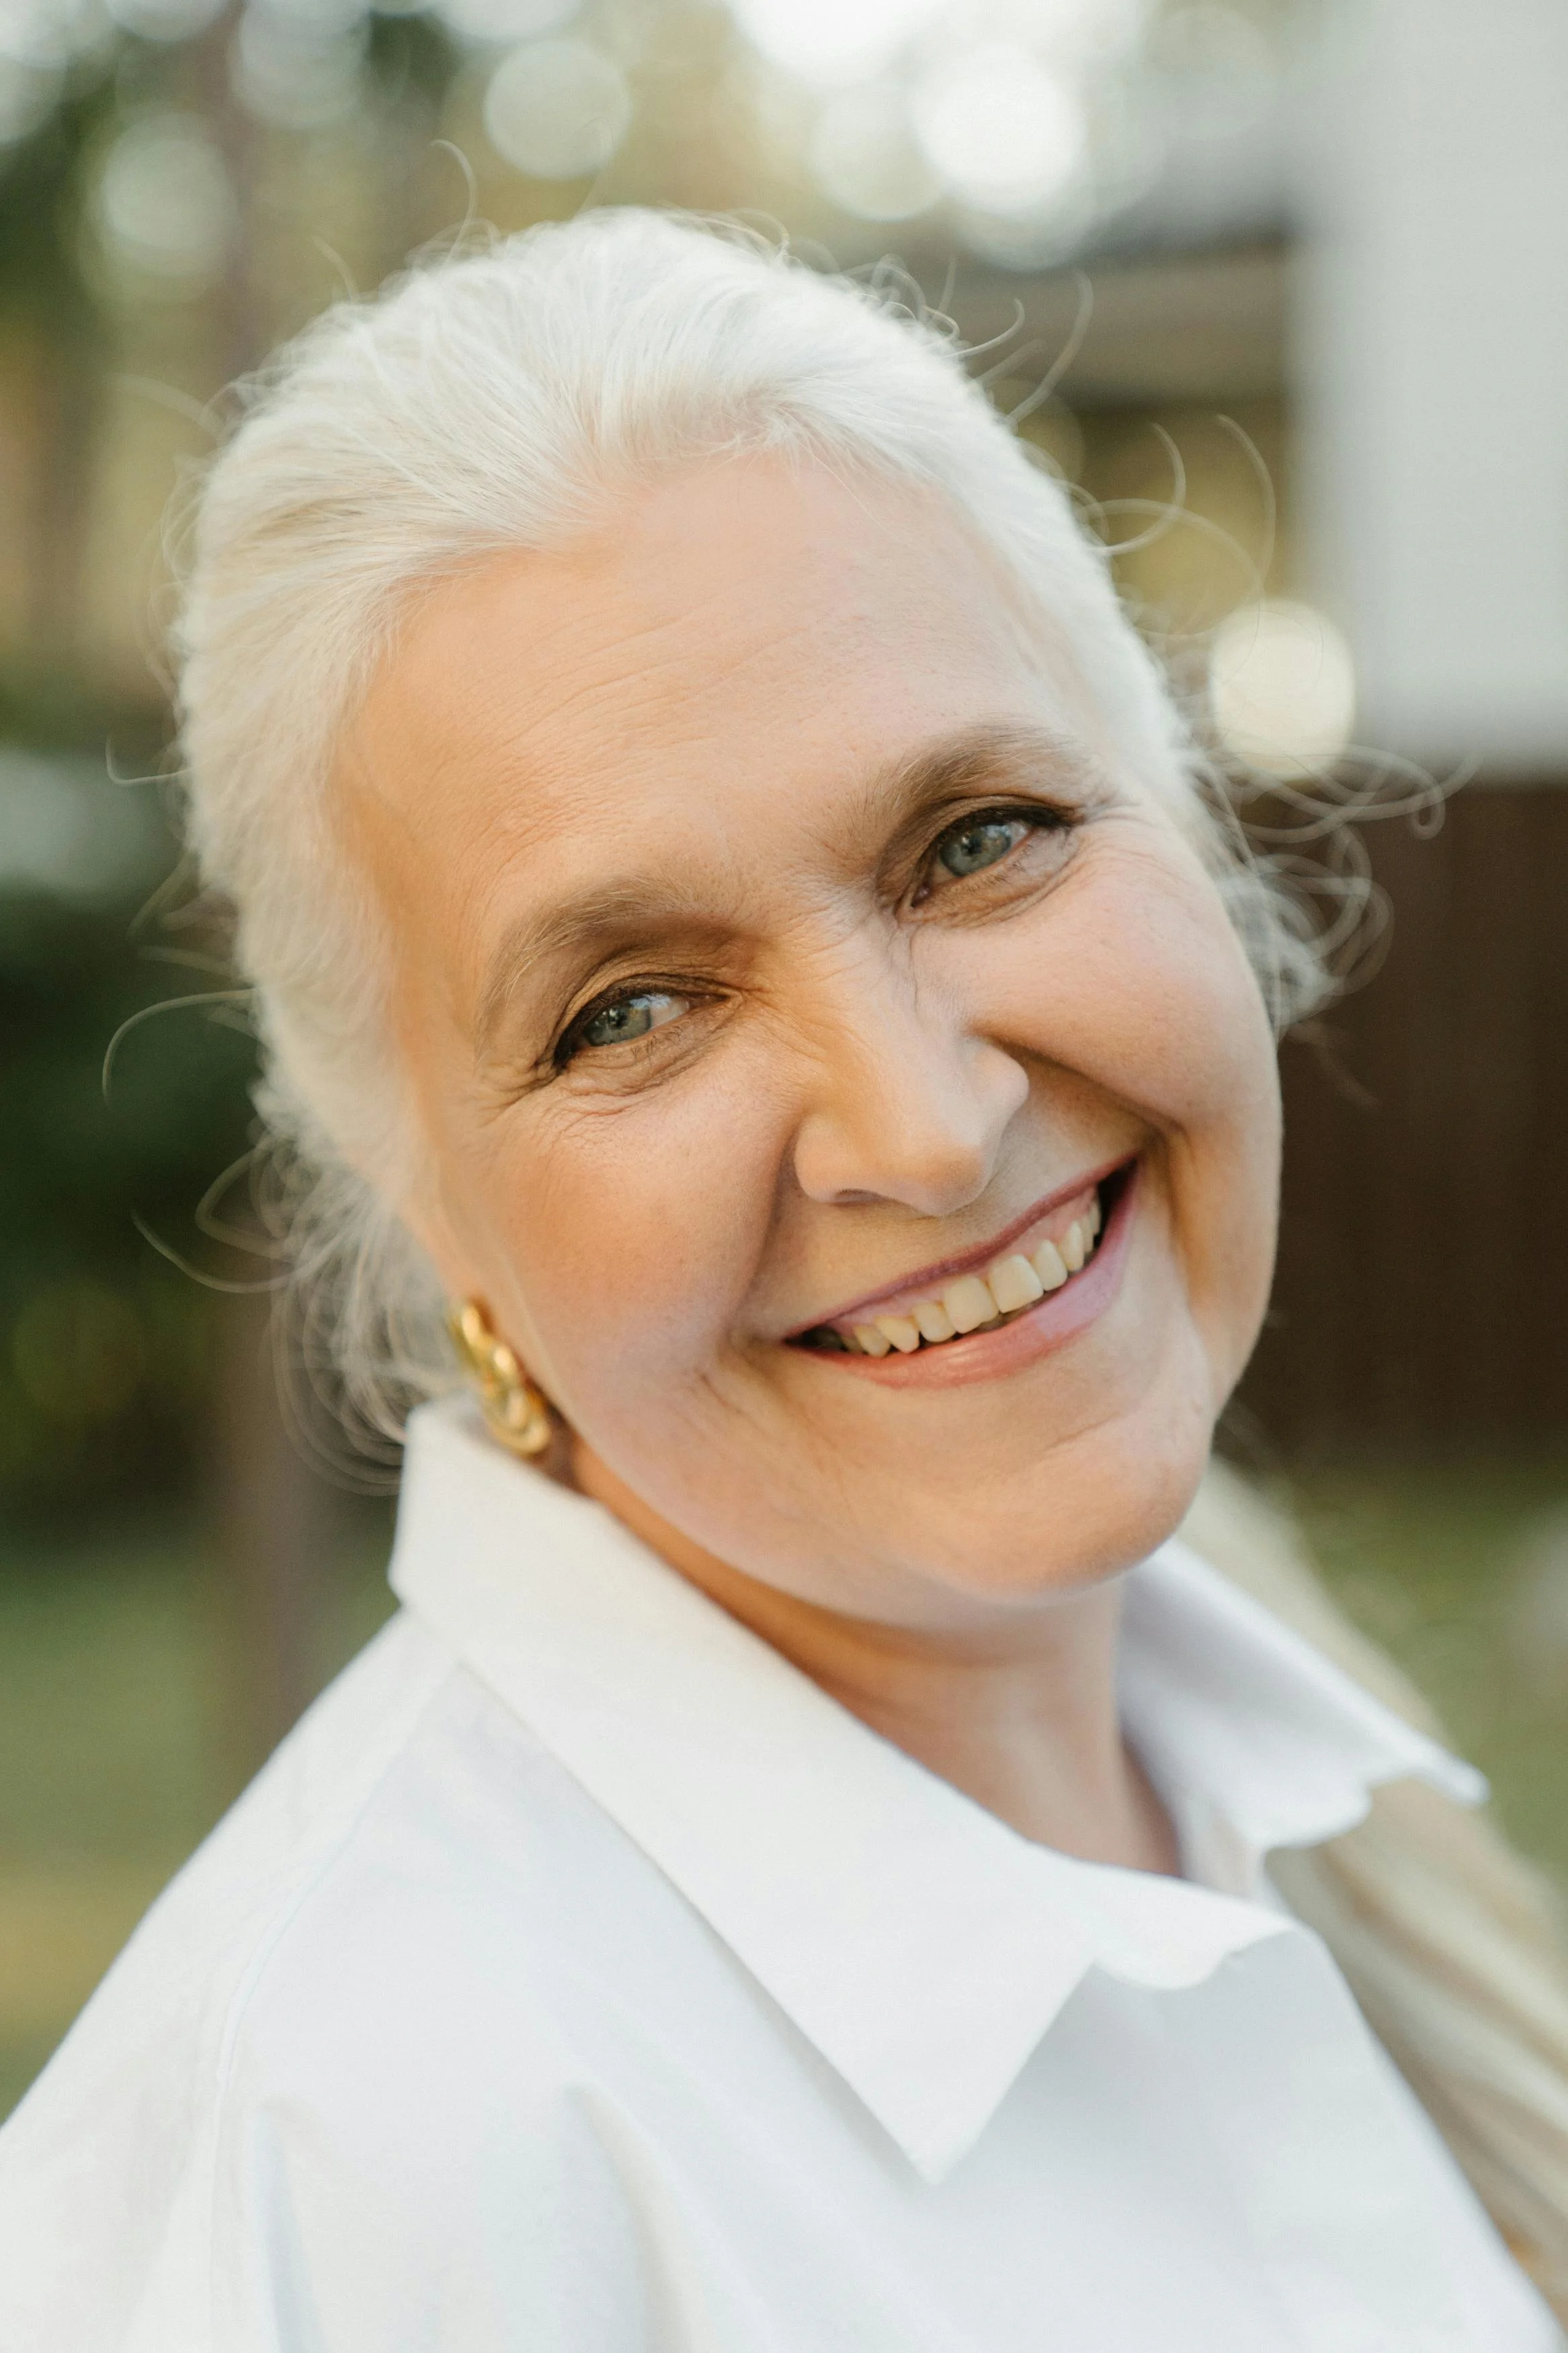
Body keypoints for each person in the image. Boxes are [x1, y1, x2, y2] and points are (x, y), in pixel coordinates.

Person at [1, 208, 1565, 2351]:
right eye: (630, 1009)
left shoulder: (1267, 1768)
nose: (920, 1129)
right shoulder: (359, 2179)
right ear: (430, 1214)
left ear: (1184, 833)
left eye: (978, 838)